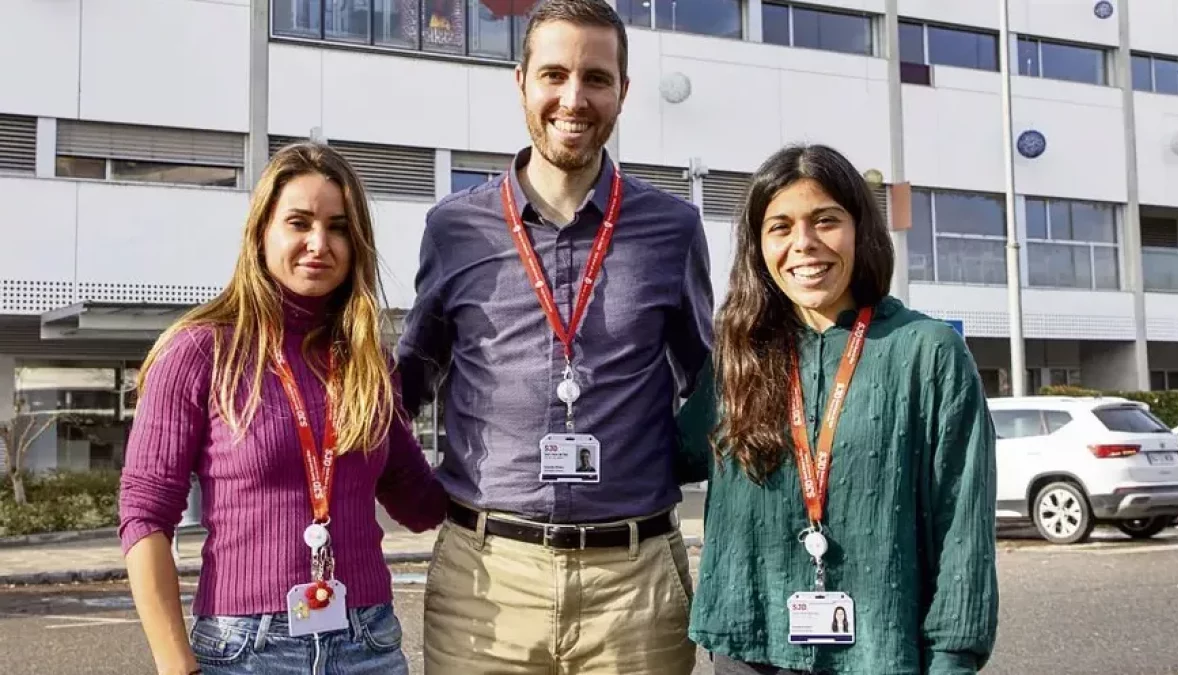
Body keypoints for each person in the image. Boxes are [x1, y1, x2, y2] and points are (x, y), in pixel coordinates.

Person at [394, 0, 713, 672]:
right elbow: (407, 382)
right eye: (554, 75)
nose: (574, 98)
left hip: (634, 588)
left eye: (596, 79)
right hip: (487, 585)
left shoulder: (673, 229)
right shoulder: (455, 229)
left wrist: (662, 463)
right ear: (521, 83)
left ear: (622, 93)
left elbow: (707, 381)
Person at [119, 142, 447, 675]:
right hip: (245, 650)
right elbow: (144, 517)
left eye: (338, 227)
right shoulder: (199, 352)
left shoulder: (367, 363)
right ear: (261, 232)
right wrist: (175, 665)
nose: (319, 243)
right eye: (299, 222)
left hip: (367, 641)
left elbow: (421, 505)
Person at [675, 144, 998, 674]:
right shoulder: (739, 355)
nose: (803, 244)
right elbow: (667, 455)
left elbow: (962, 525)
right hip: (747, 644)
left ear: (861, 230)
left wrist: (953, 659)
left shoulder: (928, 352)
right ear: (758, 247)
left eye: (825, 221)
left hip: (880, 648)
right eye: (780, 227)